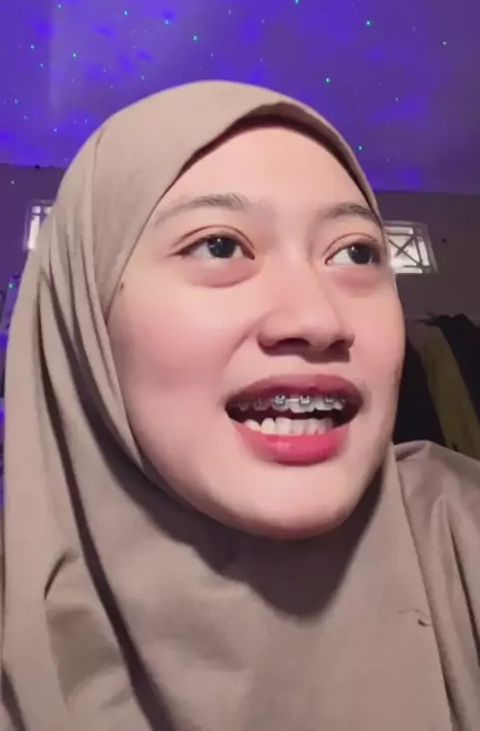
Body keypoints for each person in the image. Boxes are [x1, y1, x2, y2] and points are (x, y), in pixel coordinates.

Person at [1, 80, 479, 731]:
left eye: (355, 252)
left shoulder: (459, 531)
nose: (318, 319)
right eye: (220, 245)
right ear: (85, 321)